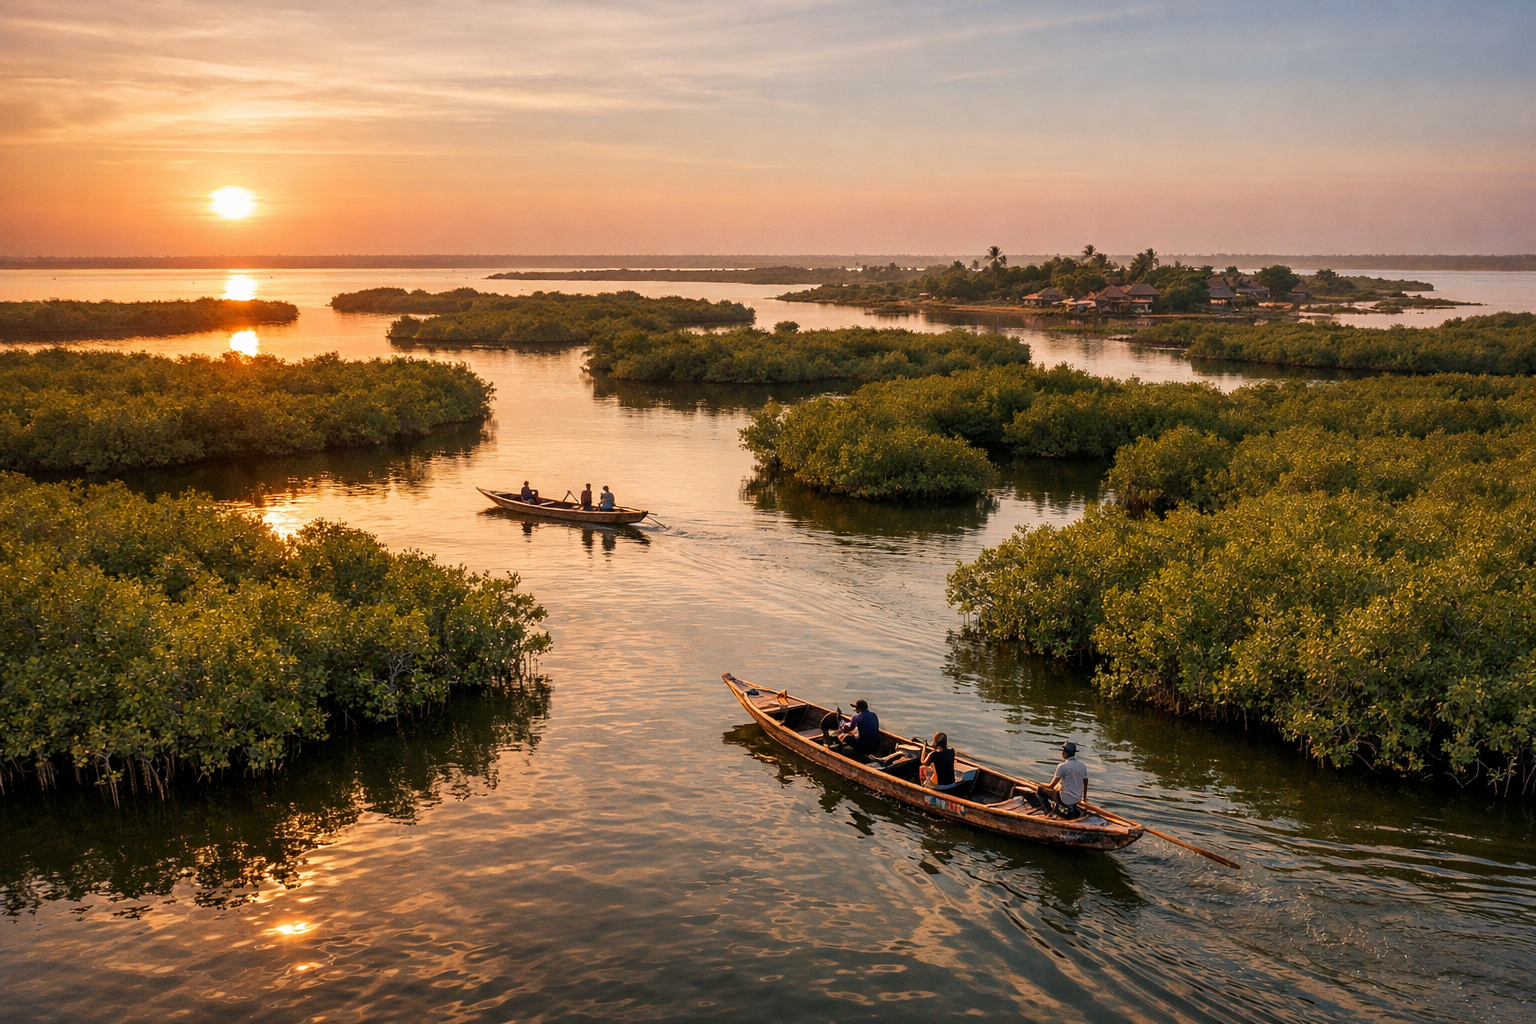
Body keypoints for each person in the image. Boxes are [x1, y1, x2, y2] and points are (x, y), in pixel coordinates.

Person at [1031, 742, 1089, 819]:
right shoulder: (1082, 766)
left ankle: (1048, 811)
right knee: (1059, 786)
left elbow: (1051, 786)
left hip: (1065, 800)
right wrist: (1084, 799)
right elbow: (1085, 782)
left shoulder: (1062, 766)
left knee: (1040, 792)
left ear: (1064, 753)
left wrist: (1040, 785)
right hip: (1078, 798)